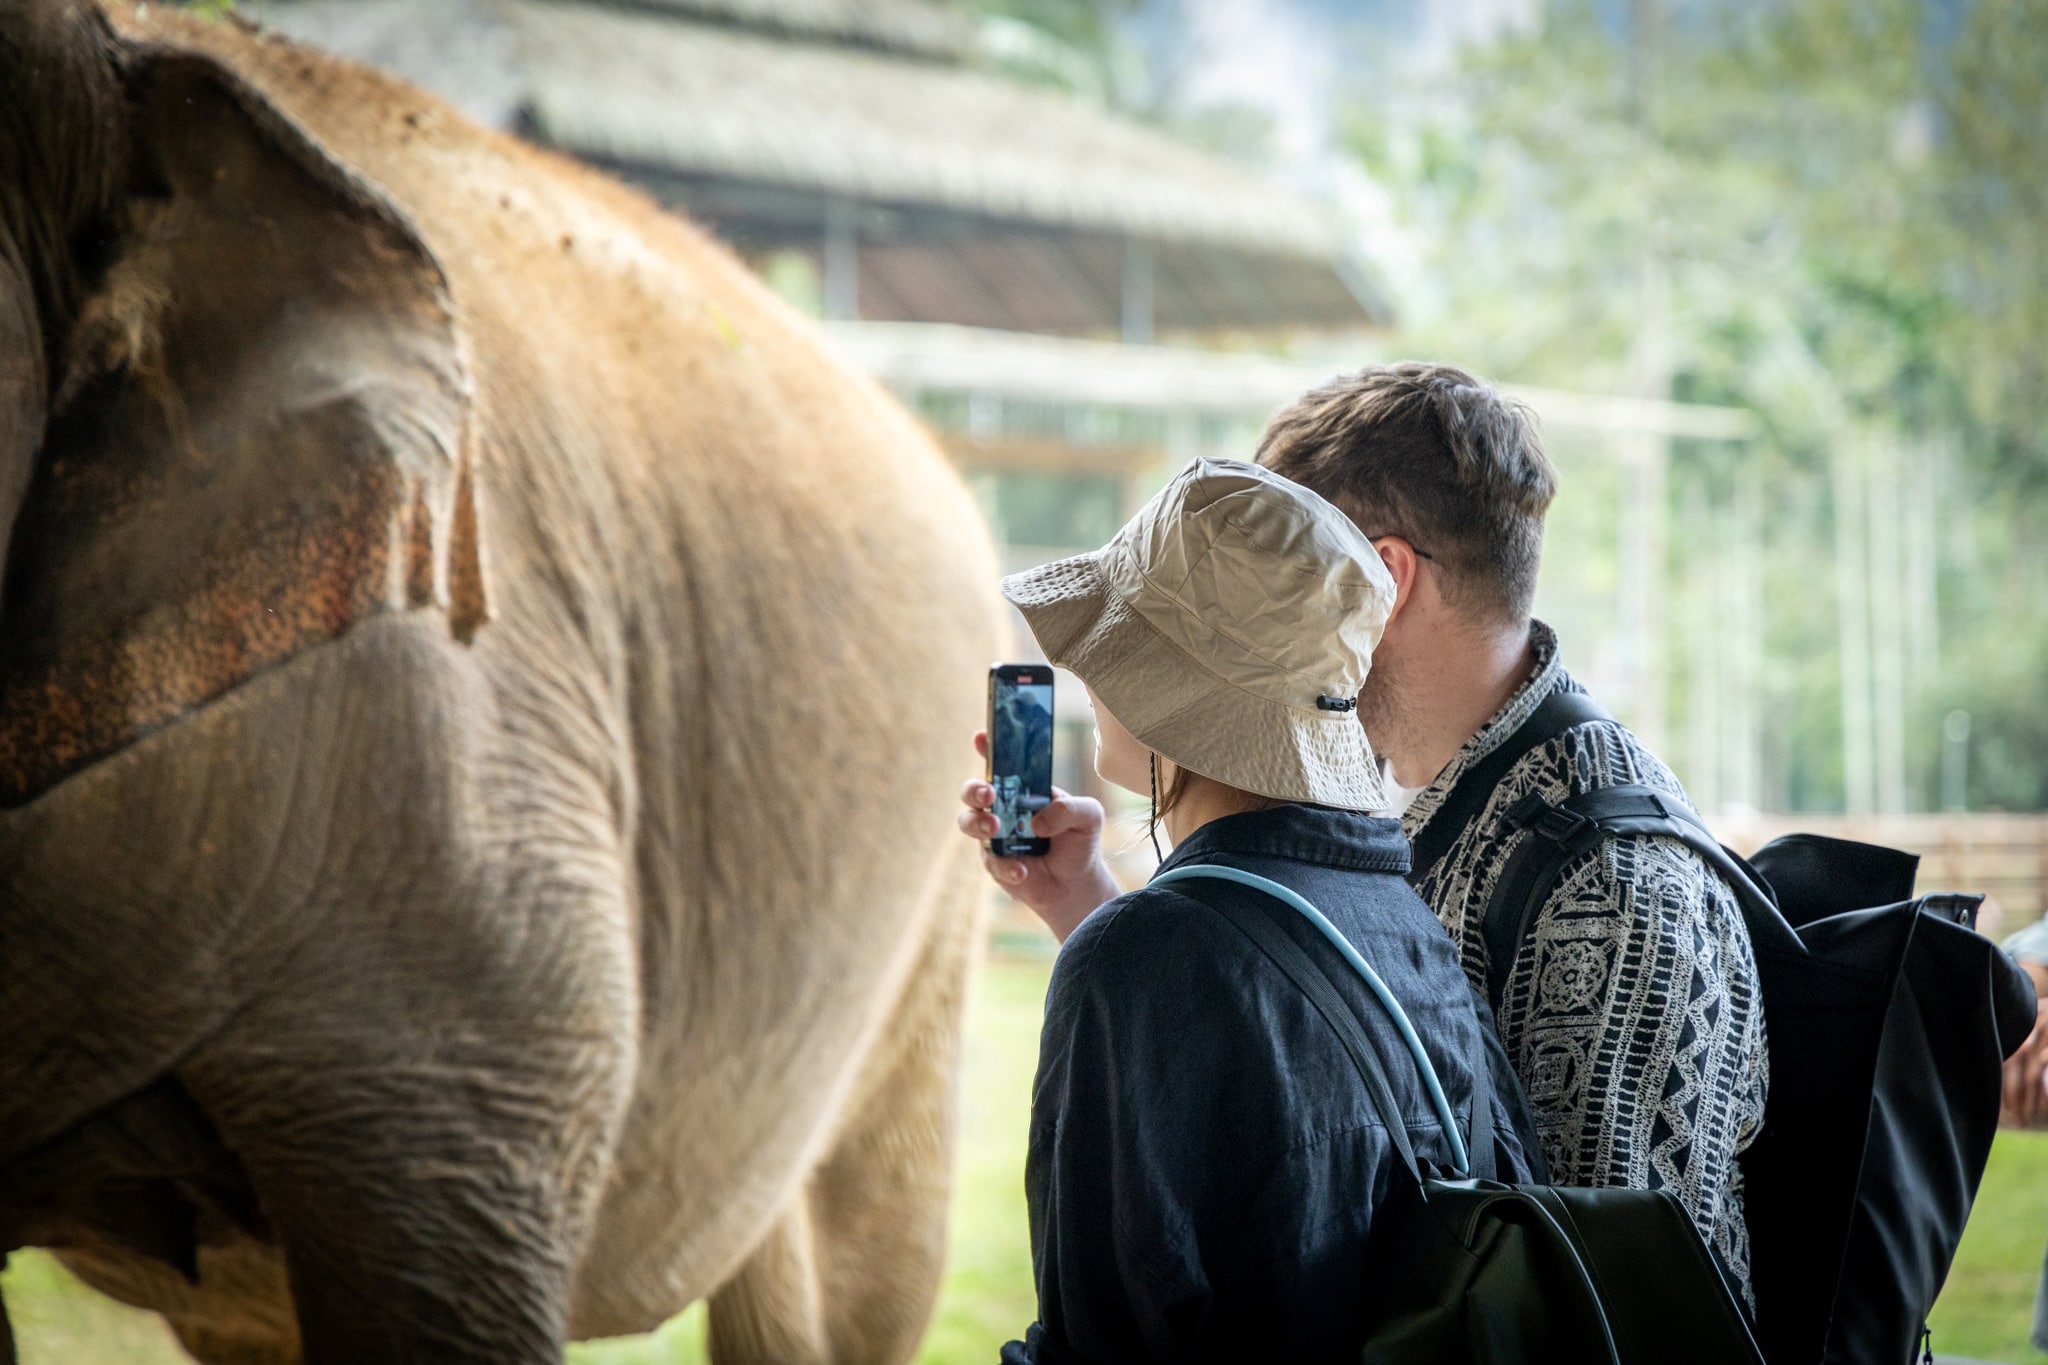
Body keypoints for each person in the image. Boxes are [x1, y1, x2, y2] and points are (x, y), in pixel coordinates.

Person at [981, 365, 1768, 1310]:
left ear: (1384, 580)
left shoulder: (1609, 884)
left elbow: (1593, 1302)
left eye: (1304, 560)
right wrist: (1094, 911)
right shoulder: (1400, 838)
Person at [960, 458, 1540, 1364]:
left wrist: (1106, 933)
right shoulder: (1406, 926)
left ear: (1168, 695)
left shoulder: (1140, 959)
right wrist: (1081, 902)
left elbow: (1097, 1339)